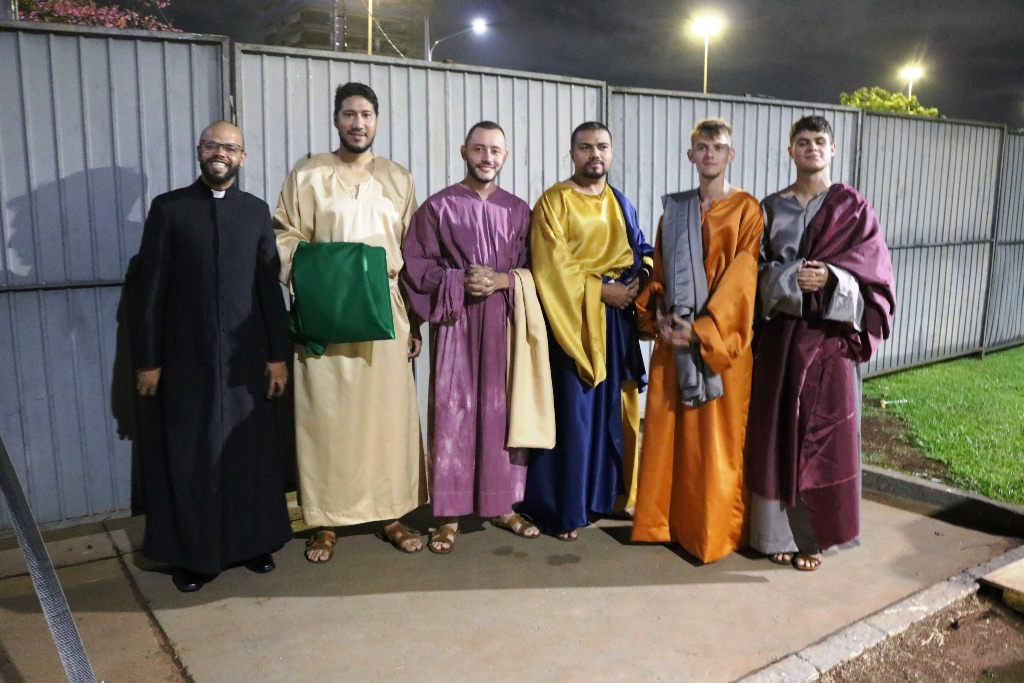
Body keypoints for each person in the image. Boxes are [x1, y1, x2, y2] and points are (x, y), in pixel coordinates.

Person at [132, 120, 292, 593]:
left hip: (246, 364)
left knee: (249, 454)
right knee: (192, 457)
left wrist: (278, 355)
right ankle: (194, 557)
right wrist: (148, 360)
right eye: (212, 145)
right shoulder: (169, 209)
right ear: (199, 151)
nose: (220, 153)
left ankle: (252, 544)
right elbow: (150, 291)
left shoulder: (255, 211)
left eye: (230, 147)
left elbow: (268, 290)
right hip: (187, 361)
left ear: (242, 157)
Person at [274, 82, 426, 561]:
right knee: (326, 419)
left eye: (366, 114)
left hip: (385, 313)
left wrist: (414, 321)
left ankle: (391, 512)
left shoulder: (398, 178)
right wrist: (333, 273)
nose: (358, 123)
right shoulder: (308, 174)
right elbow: (284, 236)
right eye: (349, 114)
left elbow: (413, 251)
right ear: (336, 119)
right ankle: (325, 520)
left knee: (387, 419)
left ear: (377, 120)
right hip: (327, 311)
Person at [746, 115, 896, 571]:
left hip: (830, 342)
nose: (811, 148)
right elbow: (752, 270)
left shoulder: (853, 208)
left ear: (832, 150)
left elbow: (875, 273)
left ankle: (814, 538)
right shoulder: (770, 208)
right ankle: (774, 536)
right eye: (803, 141)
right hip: (781, 340)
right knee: (776, 435)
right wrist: (793, 278)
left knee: (825, 438)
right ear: (790, 151)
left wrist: (832, 278)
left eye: (819, 141)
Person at [401, 121, 544, 553]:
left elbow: (538, 269)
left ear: (505, 156)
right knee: (454, 412)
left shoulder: (518, 210)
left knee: (501, 411)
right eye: (479, 149)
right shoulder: (438, 207)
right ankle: (448, 514)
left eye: (495, 150)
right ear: (464, 152)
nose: (487, 157)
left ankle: (503, 506)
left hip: (503, 322)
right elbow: (415, 265)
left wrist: (503, 280)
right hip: (456, 322)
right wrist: (458, 280)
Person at [631, 118, 764, 563]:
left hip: (722, 344)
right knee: (672, 434)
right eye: (702, 147)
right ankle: (667, 524)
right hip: (675, 339)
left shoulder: (747, 210)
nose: (710, 154)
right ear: (691, 155)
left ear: (730, 155)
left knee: (718, 441)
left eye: (718, 147)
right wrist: (659, 315)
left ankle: (715, 531)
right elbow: (661, 271)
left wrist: (704, 330)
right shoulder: (674, 212)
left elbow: (743, 277)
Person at [518, 121, 653, 540]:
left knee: (617, 410)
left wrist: (641, 279)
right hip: (574, 322)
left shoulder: (621, 201)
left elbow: (642, 248)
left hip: (618, 322)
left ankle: (612, 496)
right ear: (572, 153)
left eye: (602, 146)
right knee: (575, 413)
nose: (595, 154)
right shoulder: (554, 202)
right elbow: (551, 266)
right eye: (585, 147)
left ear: (611, 152)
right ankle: (566, 508)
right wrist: (601, 290)